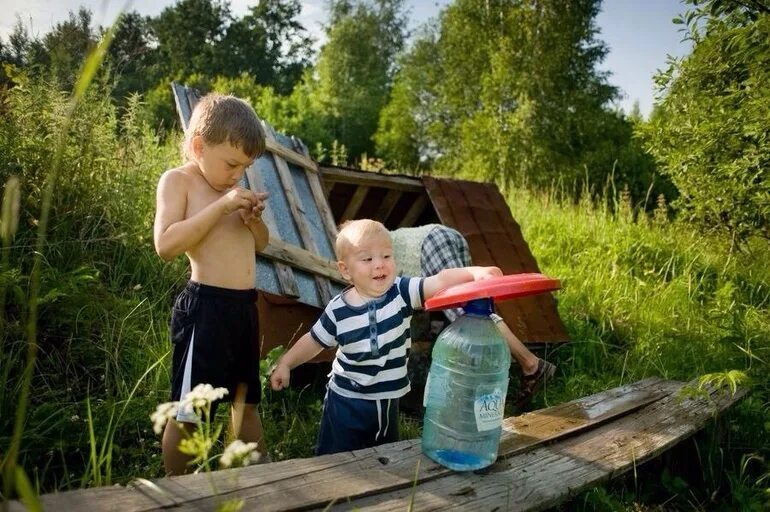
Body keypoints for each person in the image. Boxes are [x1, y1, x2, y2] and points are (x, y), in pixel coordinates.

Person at [269, 219, 502, 455]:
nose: (379, 265)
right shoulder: (338, 310)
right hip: (347, 399)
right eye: (367, 259)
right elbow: (313, 341)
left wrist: (475, 273)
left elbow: (439, 280)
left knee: (386, 453)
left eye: (386, 256)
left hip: (389, 398)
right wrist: (287, 363)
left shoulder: (401, 292)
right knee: (338, 456)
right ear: (345, 269)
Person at [153, 93, 270, 475]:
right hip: (206, 309)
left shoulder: (232, 190)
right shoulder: (180, 182)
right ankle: (178, 488)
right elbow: (166, 244)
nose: (238, 175)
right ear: (200, 146)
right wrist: (220, 206)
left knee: (246, 400)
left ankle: (256, 479)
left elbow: (262, 244)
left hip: (244, 309)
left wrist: (253, 219)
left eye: (245, 167)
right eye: (232, 164)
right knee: (190, 409)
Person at [389, 224, 556, 410]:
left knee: (470, 312)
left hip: (430, 243)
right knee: (473, 305)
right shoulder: (378, 242)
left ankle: (530, 364)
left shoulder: (363, 258)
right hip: (446, 234)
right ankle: (483, 382)